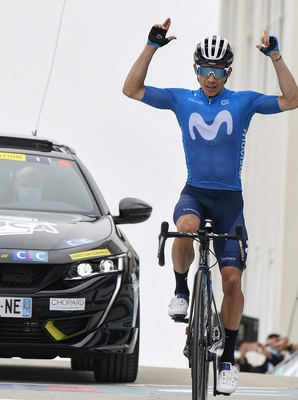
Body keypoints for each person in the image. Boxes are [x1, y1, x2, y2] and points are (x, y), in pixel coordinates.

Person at [123, 17, 298, 394]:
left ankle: (227, 359)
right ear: (195, 70)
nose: (210, 77)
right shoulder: (180, 98)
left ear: (228, 71)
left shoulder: (245, 101)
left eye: (217, 70)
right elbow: (131, 89)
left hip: (229, 201)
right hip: (195, 193)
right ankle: (181, 291)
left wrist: (276, 57)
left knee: (233, 281)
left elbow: (292, 99)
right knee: (184, 227)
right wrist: (151, 45)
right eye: (204, 70)